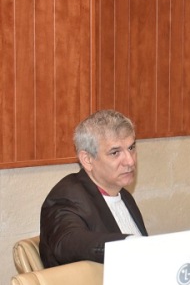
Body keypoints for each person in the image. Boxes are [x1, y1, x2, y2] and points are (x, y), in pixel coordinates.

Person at [40, 110, 148, 268]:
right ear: (87, 160)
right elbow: (67, 242)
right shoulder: (66, 196)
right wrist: (128, 243)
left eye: (131, 148)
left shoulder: (124, 195)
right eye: (115, 152)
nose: (130, 161)